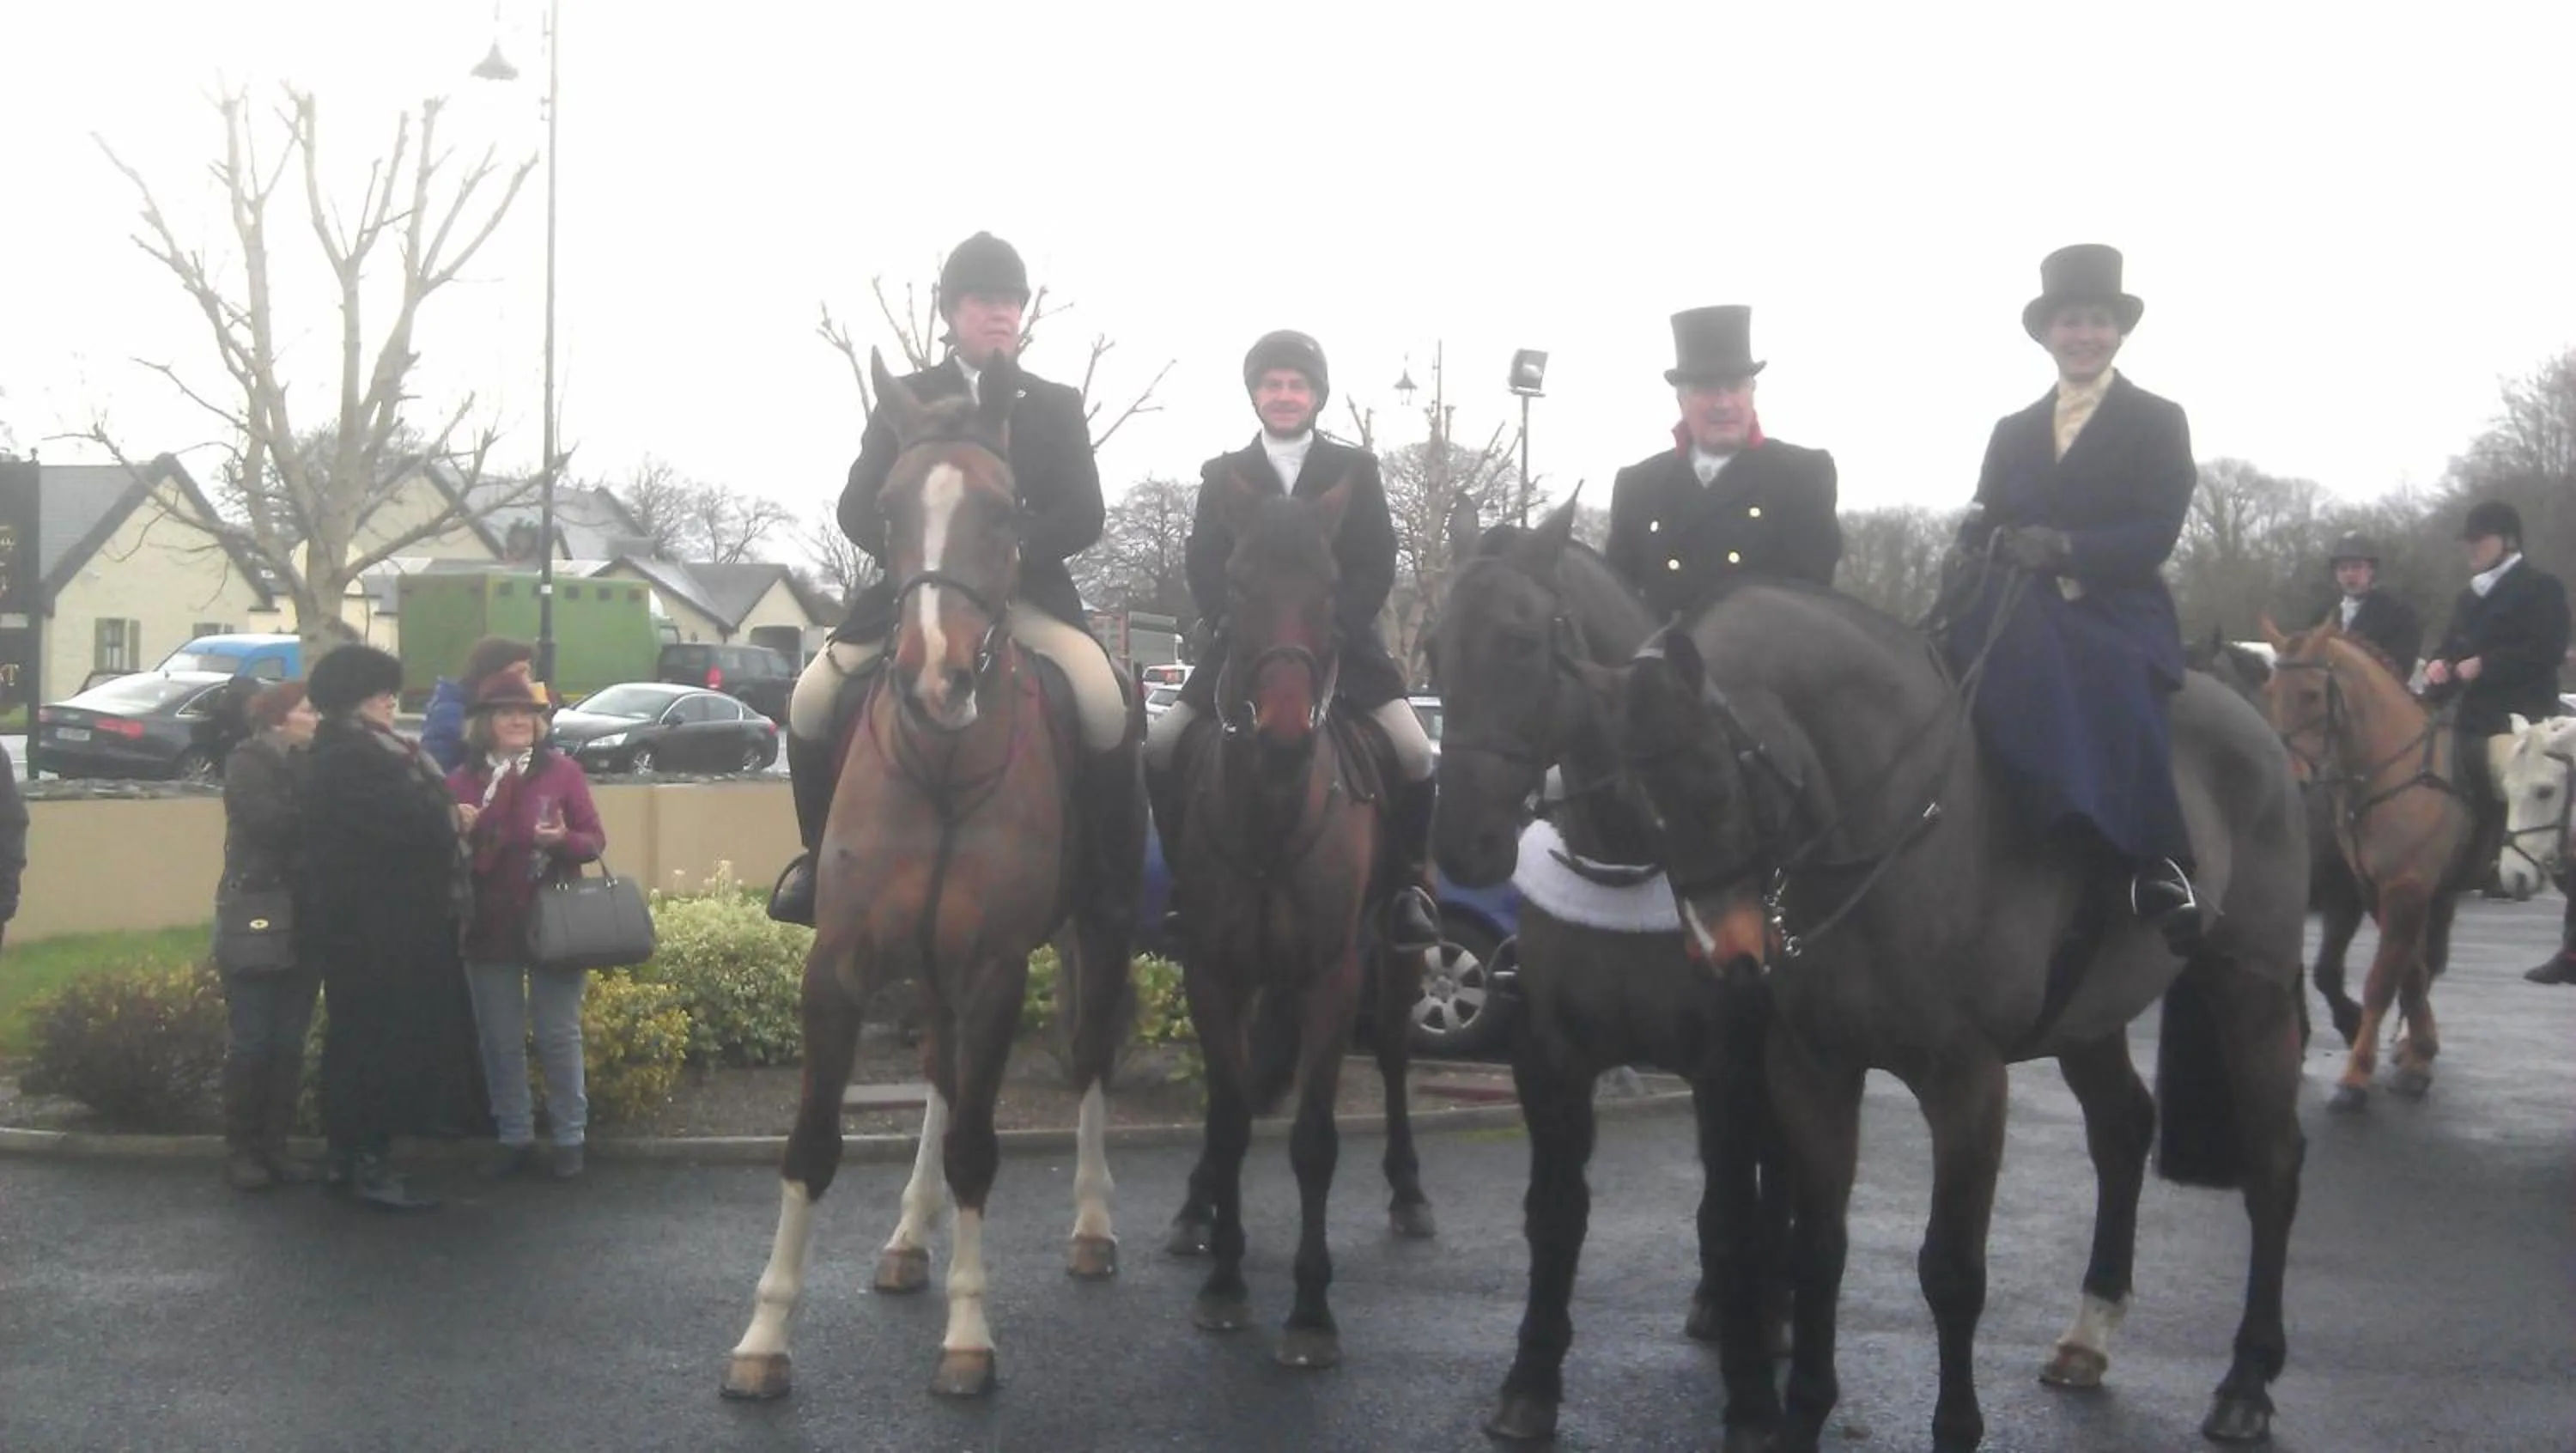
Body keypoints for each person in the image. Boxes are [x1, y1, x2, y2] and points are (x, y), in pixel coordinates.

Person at [770, 231, 1143, 939]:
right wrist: (923, 567)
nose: (999, 313)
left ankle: (1103, 878)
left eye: (1010, 301)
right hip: (919, 600)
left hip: (1025, 598)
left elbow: (1085, 512)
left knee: (1105, 704)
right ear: (951, 313)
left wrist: (1006, 551)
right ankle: (820, 864)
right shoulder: (906, 397)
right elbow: (856, 507)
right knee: (812, 699)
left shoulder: (1056, 404)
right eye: (983, 301)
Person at [1142, 329, 1441, 951]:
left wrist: (1332, 626)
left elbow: (1375, 561)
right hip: (1245, 649)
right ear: (1255, 394)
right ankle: (1183, 884)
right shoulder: (1223, 474)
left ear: (1316, 396)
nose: (1283, 395)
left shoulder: (1354, 470)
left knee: (1414, 752)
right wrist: (1231, 621)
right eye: (1272, 384)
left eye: (1295, 385)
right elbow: (1203, 561)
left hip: (1339, 646)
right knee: (1163, 747)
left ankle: (1407, 887)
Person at [1945, 244, 2202, 953]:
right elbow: (1987, 511)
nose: (2083, 335)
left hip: (2115, 606)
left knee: (2115, 677)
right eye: (2069, 322)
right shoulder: (2013, 430)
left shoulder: (2158, 420)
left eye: (2095, 321)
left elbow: (2157, 529)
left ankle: (2160, 860)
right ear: (2047, 334)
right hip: (2019, 605)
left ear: (2117, 332)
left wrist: (2067, 549)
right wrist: (1974, 544)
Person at [300, 645, 485, 1212]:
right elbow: (405, 827)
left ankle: (348, 1155)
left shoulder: (370, 751)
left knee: (360, 1040)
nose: (388, 698)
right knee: (375, 1043)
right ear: (351, 700)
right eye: (377, 691)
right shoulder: (349, 758)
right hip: (375, 926)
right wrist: (449, 818)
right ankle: (367, 1159)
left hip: (385, 921)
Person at [447, 674, 607, 1179]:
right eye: (504, 713)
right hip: (488, 922)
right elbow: (441, 858)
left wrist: (562, 840)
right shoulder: (460, 782)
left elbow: (594, 841)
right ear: (484, 725)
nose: (518, 721)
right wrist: (459, 833)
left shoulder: (564, 773)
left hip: (554, 919)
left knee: (558, 1033)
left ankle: (569, 1138)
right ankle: (514, 1136)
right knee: (500, 1038)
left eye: (526, 713)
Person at [1604, 305, 1842, 617]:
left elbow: (1809, 596)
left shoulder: (1803, 476)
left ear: (1752, 393)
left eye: (1734, 387)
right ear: (1681, 401)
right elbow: (1616, 602)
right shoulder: (1638, 486)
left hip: (1763, 659)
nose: (1724, 403)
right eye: (1706, 389)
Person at [2417, 499, 2572, 977]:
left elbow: (2545, 650)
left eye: (2478, 541)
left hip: (2525, 719)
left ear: (2507, 541)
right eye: (2469, 543)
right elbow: (2452, 646)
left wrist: (2486, 664)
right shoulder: (2469, 597)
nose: (2471, 550)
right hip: (2470, 718)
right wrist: (2440, 668)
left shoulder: (2540, 588)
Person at [215, 683, 324, 1190]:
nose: (316, 718)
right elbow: (269, 823)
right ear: (280, 719)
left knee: (288, 1041)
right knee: (254, 1038)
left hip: (306, 917)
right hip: (256, 911)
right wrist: (324, 816)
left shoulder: (314, 763)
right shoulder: (247, 762)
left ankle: (275, 1147)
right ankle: (242, 1148)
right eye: (307, 710)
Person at [422, 637, 540, 774]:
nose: (527, 681)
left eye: (528, 673)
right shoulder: (450, 717)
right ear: (492, 674)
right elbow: (439, 775)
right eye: (520, 673)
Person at [2318, 532, 2423, 682]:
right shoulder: (2324, 615)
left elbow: (2401, 668)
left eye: (2357, 567)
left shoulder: (2398, 613)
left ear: (2371, 570)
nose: (2350, 574)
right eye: (2343, 569)